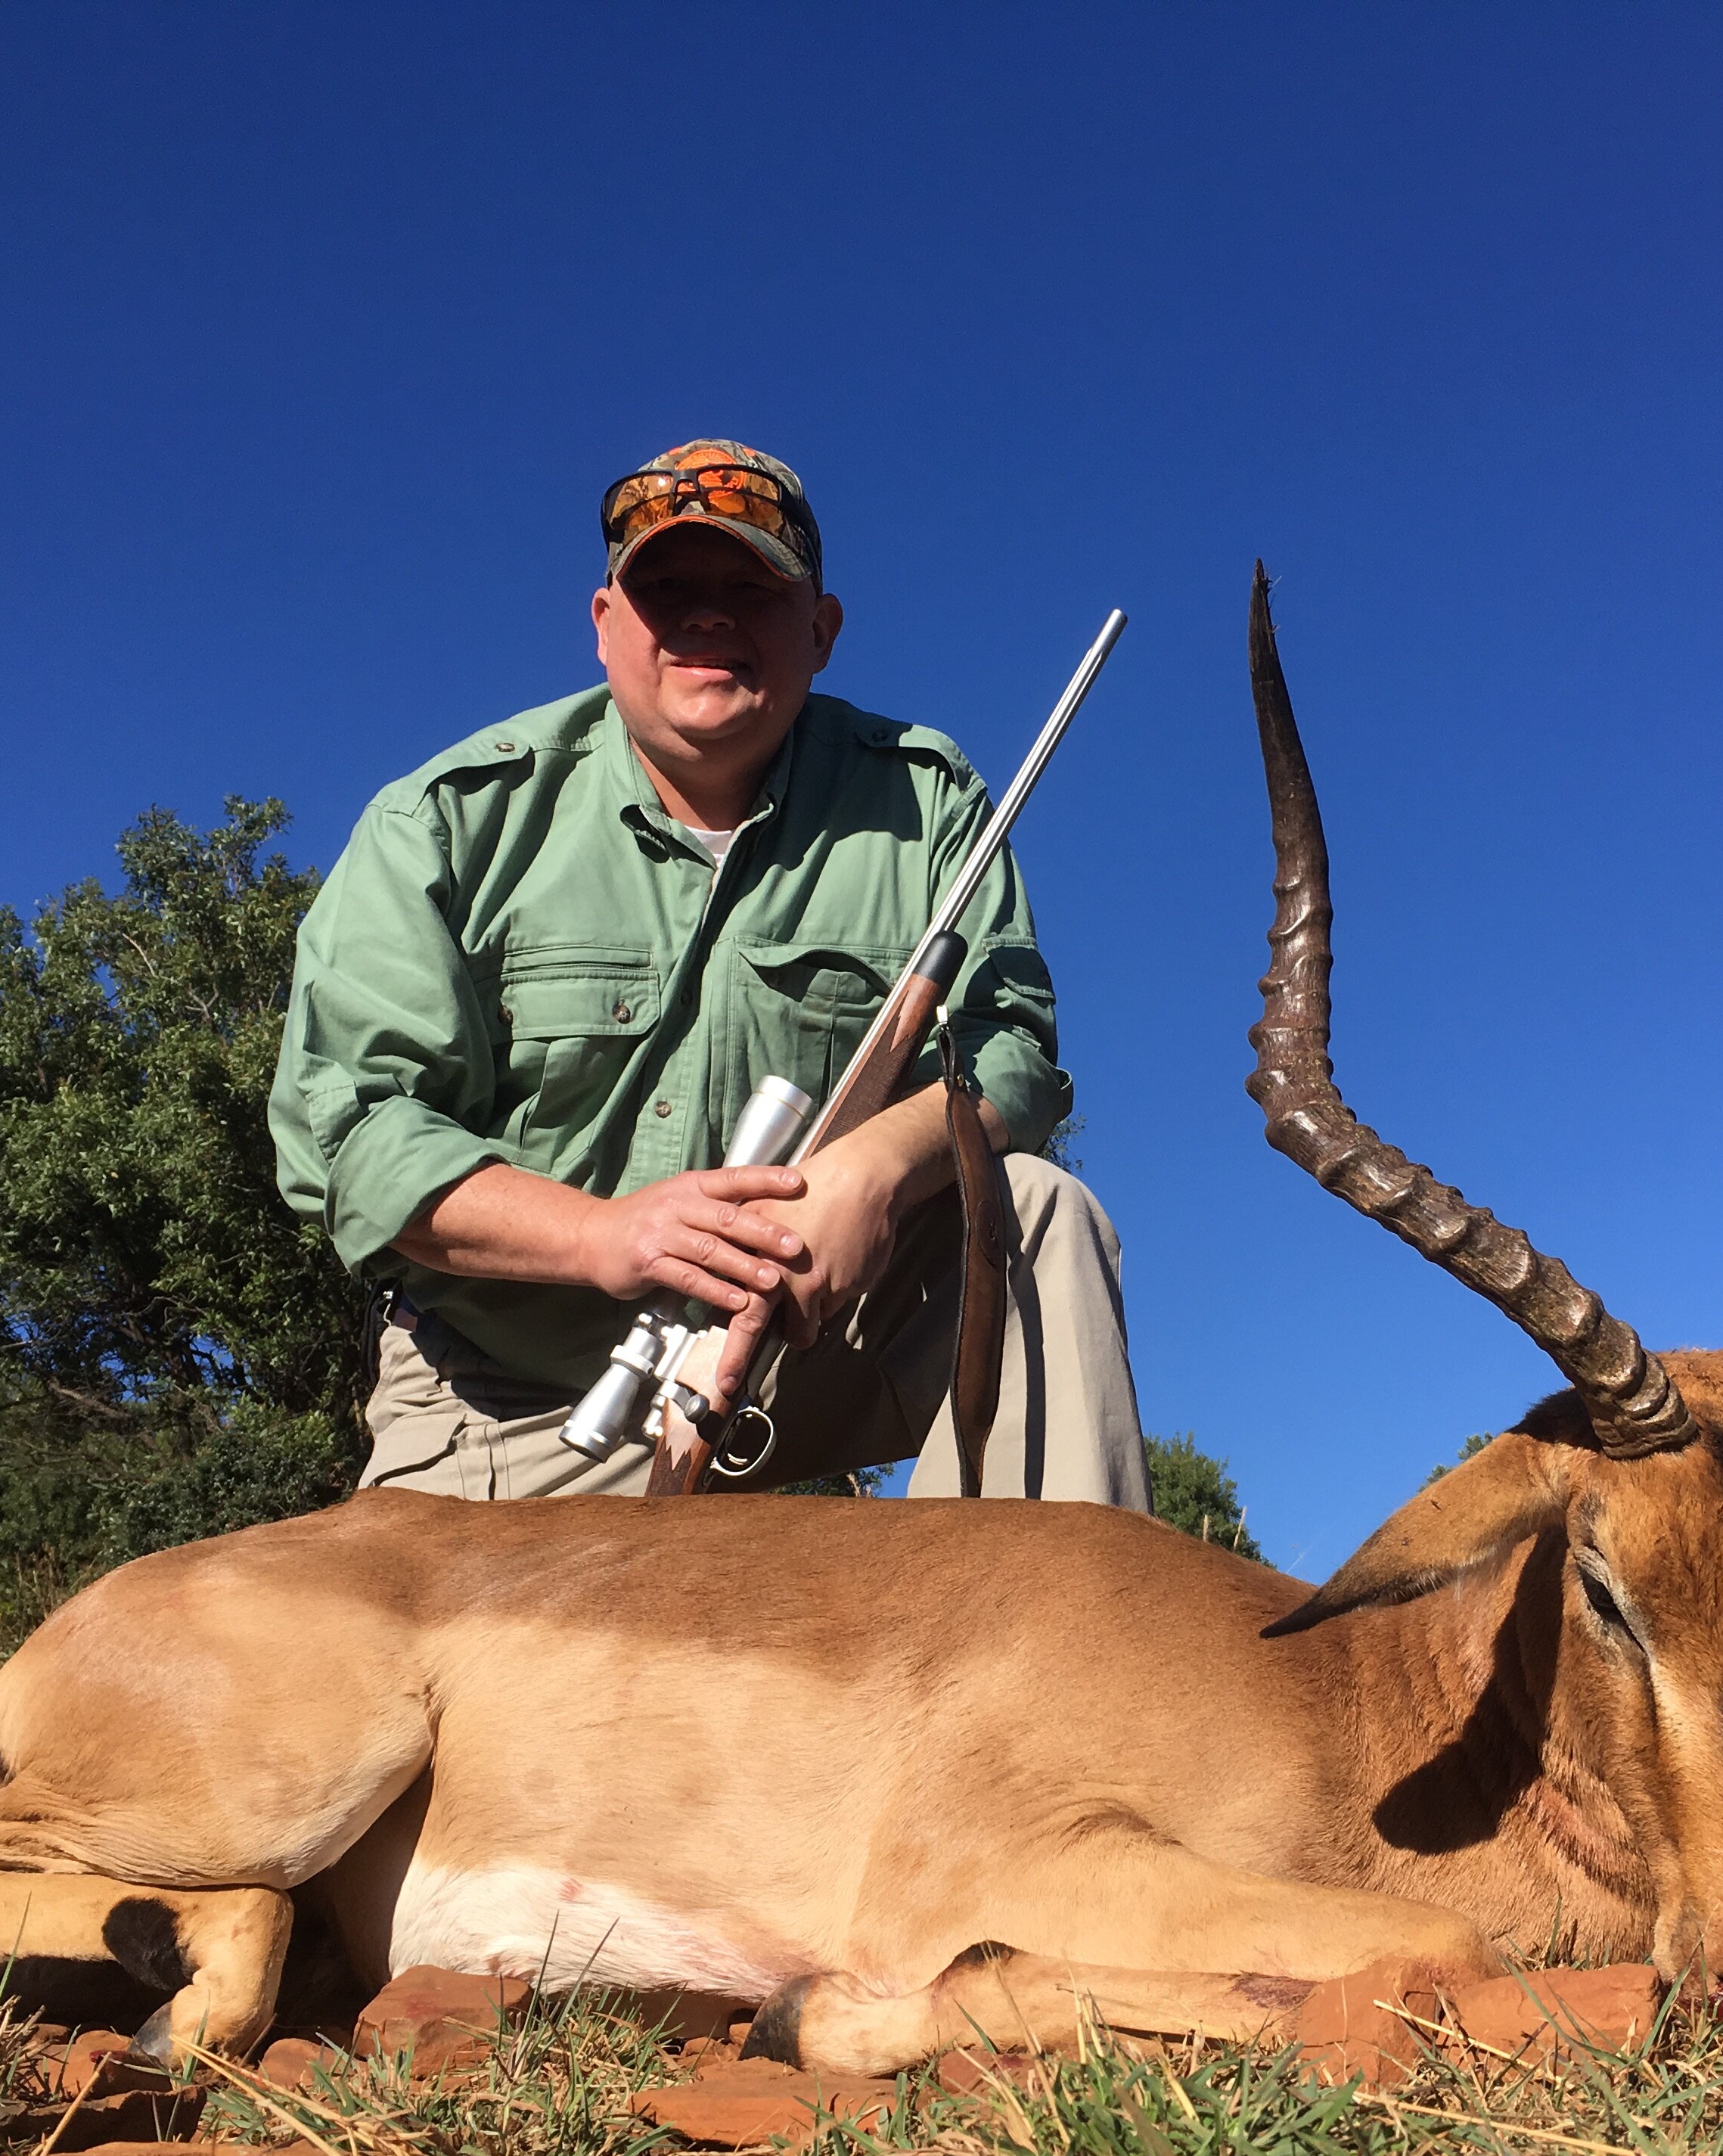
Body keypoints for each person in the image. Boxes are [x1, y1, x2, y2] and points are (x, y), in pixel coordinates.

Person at [269, 440, 1150, 1505]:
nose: (708, 616)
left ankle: (1041, 1649)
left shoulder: (926, 802)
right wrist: (607, 1236)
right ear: (605, 625)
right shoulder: (449, 822)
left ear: (821, 631)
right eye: (668, 587)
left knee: (1037, 1213)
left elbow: (1013, 1051)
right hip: (513, 1405)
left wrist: (868, 1173)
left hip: (803, 1363)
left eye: (751, 588)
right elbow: (352, 1138)